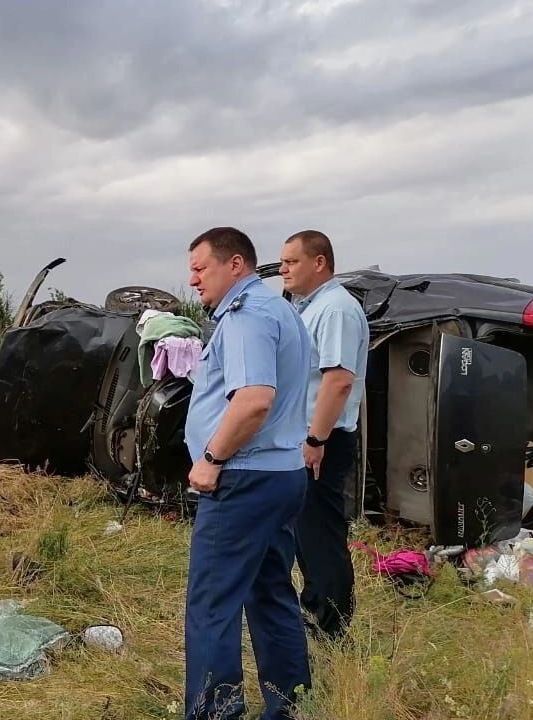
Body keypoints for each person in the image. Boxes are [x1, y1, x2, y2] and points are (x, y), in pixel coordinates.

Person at [182, 227, 312, 720]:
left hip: (243, 479)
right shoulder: (281, 310)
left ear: (235, 265)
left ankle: (214, 713)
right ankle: (291, 706)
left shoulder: (246, 316)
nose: (193, 279)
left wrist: (211, 459)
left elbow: (255, 400)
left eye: (200, 267)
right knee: (270, 593)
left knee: (213, 605)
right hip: (280, 475)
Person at [279, 229, 369, 641]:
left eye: (292, 261)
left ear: (319, 262)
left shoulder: (335, 310)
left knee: (321, 533)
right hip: (310, 438)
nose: (283, 269)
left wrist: (316, 441)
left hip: (323, 440)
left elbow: (338, 382)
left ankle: (330, 625)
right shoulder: (307, 308)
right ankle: (315, 605)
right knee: (307, 530)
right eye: (282, 262)